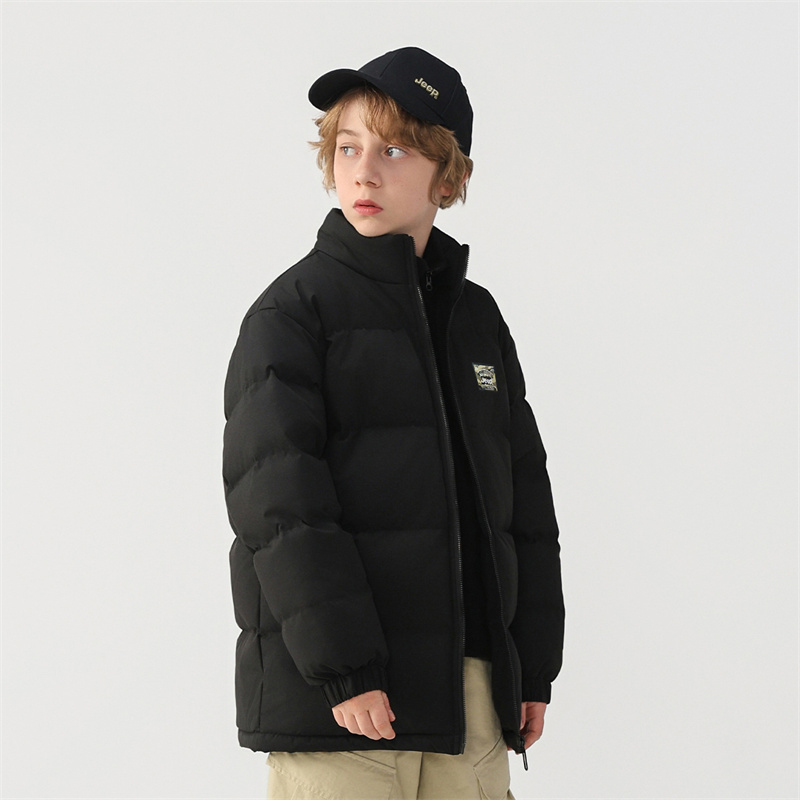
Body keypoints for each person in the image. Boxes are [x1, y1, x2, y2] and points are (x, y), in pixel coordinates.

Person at [222, 46, 565, 800]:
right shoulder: (292, 315)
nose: (364, 173)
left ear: (449, 175)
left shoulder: (475, 320)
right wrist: (346, 668)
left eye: (394, 150)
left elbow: (524, 504)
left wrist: (531, 667)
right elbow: (280, 510)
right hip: (343, 708)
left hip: (471, 700)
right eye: (348, 148)